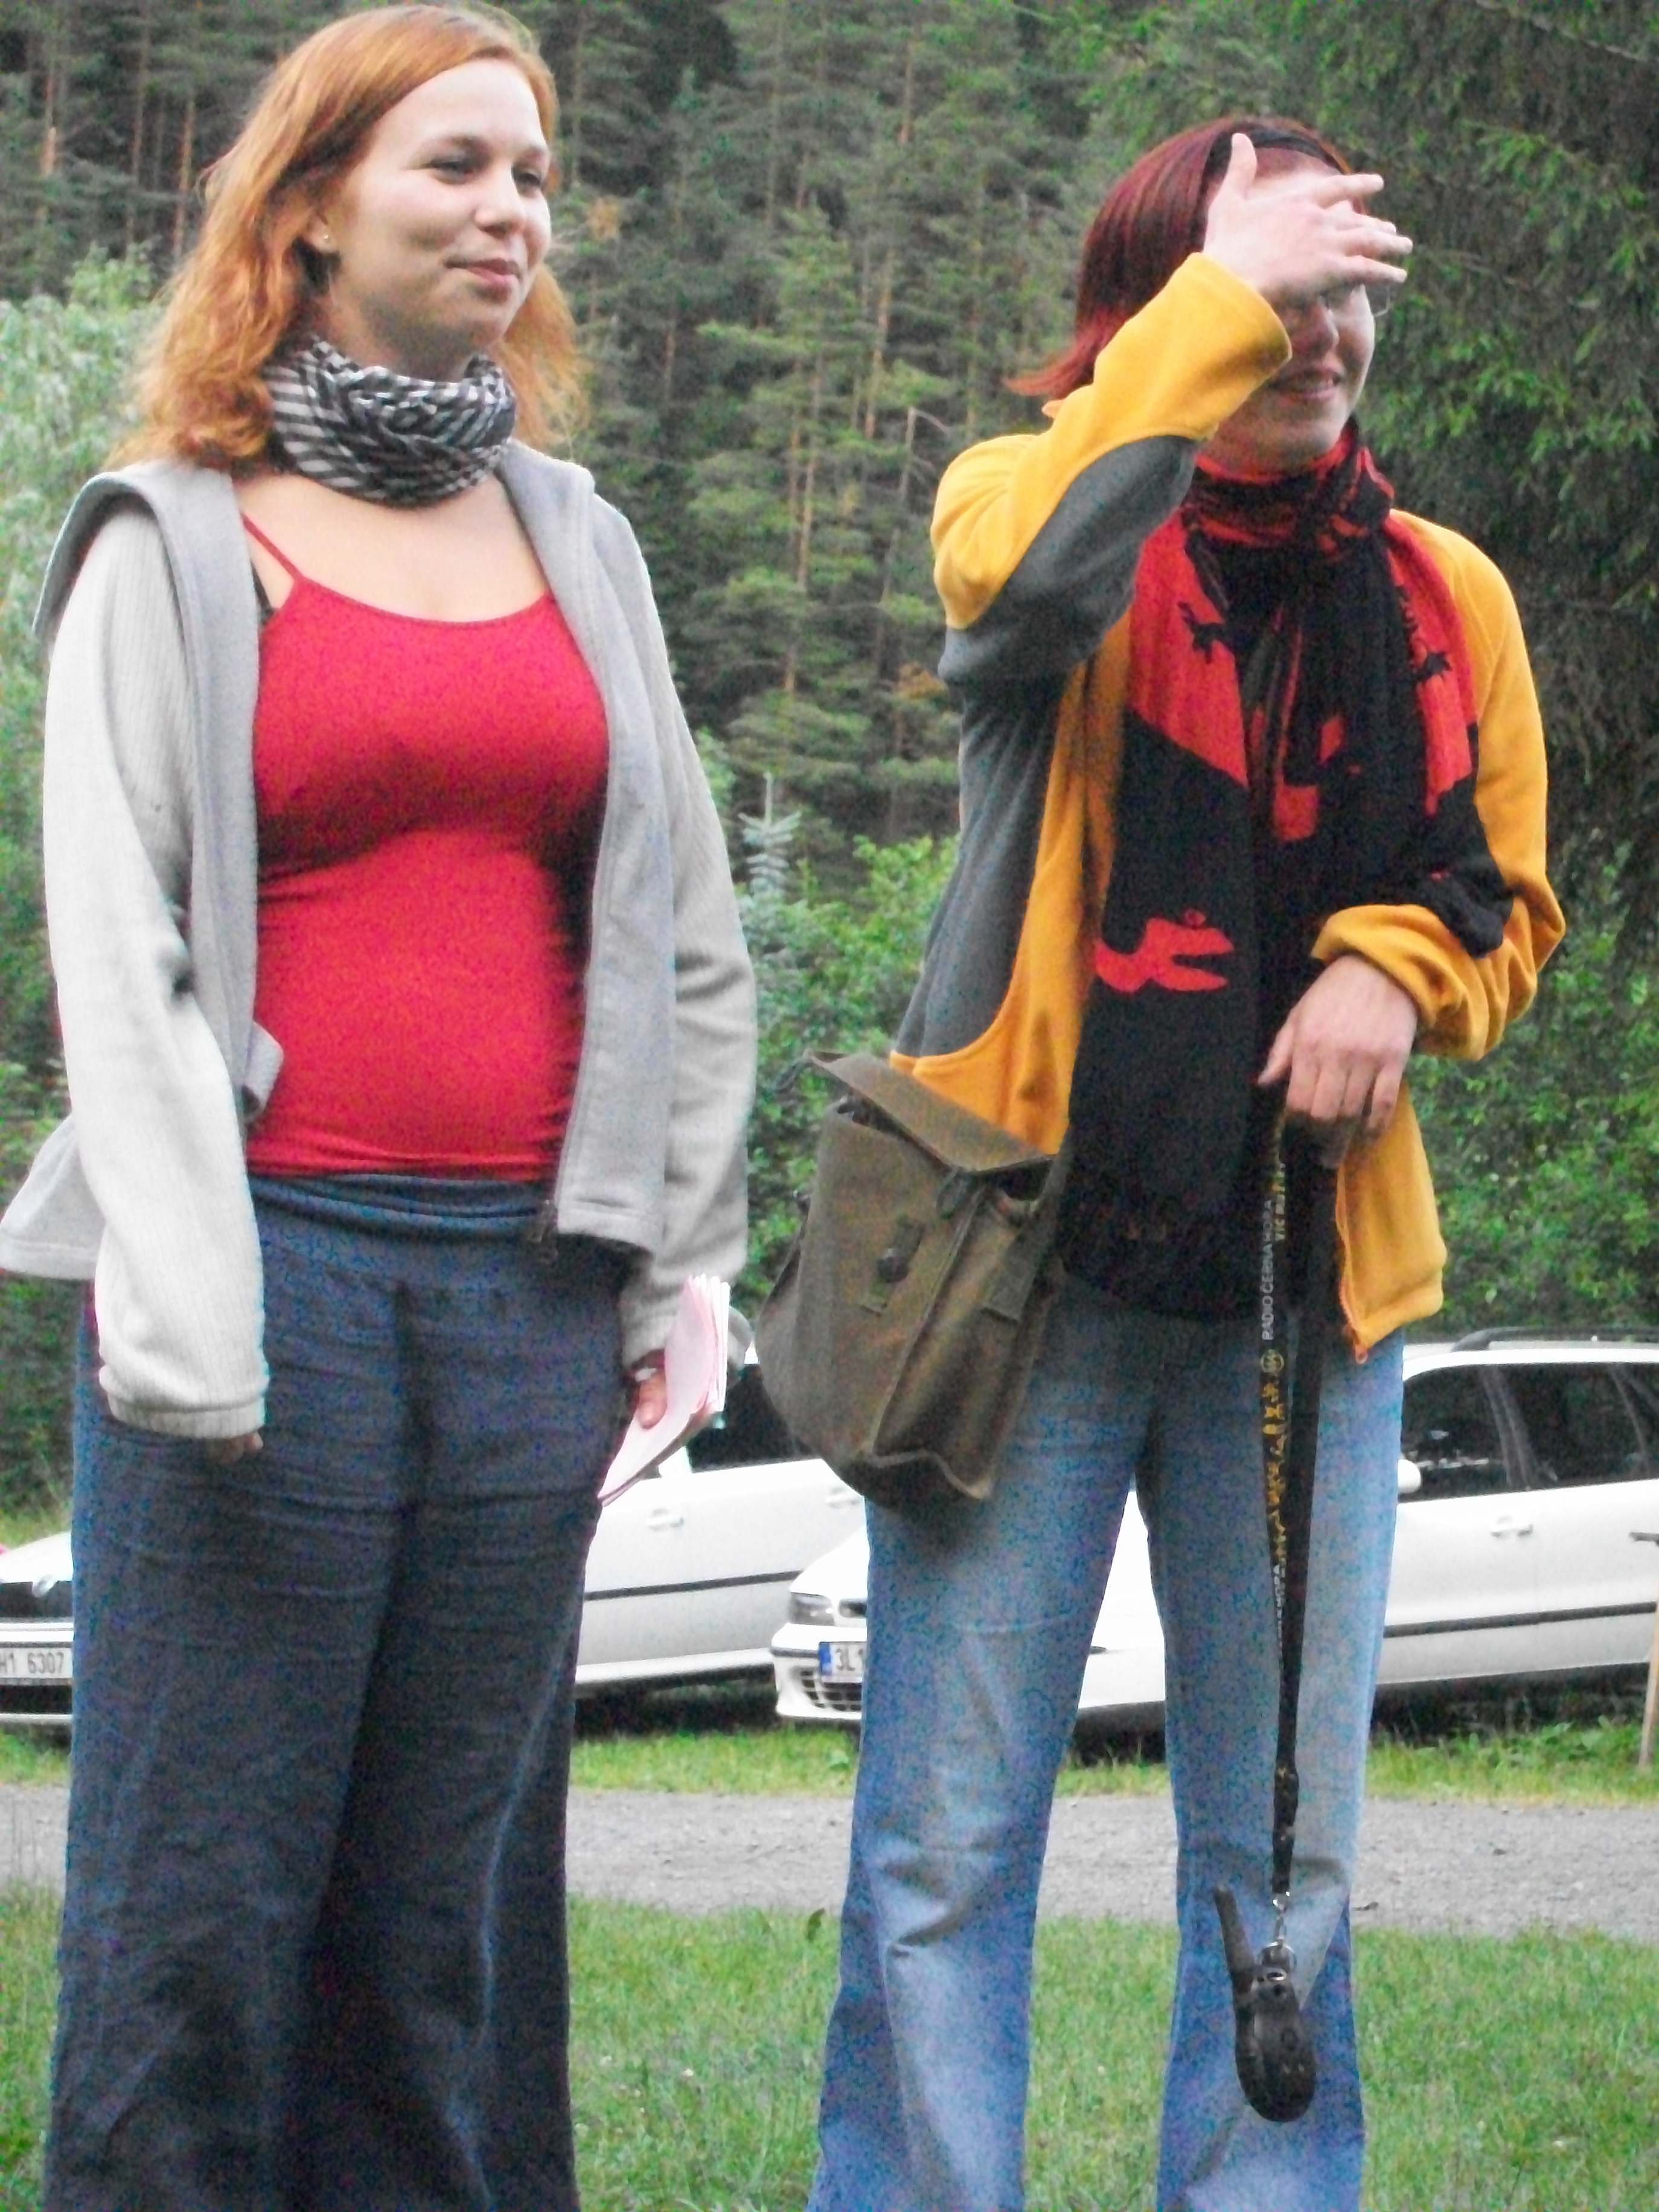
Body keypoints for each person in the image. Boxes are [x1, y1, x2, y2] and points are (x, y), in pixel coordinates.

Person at [0, 8, 753, 2209]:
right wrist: (190, 1326)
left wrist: (678, 1262)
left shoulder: (579, 538)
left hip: (529, 1305)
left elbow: (684, 928)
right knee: (200, 1915)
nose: (511, 212)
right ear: (312, 205)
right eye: (456, 166)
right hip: (268, 1297)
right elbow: (116, 960)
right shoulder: (169, 538)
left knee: (443, 1931)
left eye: (534, 176)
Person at [805, 118, 1561, 2212]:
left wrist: (1395, 968)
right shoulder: (1026, 500)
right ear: (1163, 302)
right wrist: (1216, 303)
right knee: (944, 1846)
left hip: (1307, 1298)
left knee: (1283, 1847)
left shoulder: (1446, 593)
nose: (1318, 334)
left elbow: (1506, 895)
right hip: (1022, 1286)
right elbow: (1016, 591)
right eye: (1269, 286)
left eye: (1342, 294)